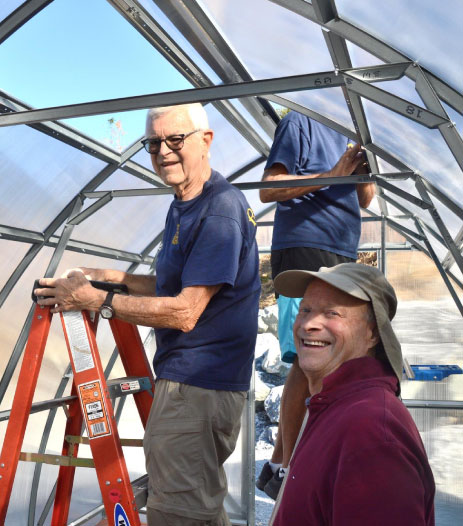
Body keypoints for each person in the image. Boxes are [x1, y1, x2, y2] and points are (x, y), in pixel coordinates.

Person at [35, 103, 261, 526]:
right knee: (199, 510)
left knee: (178, 515)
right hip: (195, 384)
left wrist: (96, 301)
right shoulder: (187, 203)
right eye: (153, 143)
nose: (163, 151)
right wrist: (109, 277)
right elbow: (171, 284)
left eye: (175, 140)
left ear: (206, 141)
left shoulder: (218, 210)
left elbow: (184, 311)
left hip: (197, 387)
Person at [257, 111, 376, 498]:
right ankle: (288, 464)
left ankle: (287, 459)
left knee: (331, 355)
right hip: (305, 243)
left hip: (341, 246)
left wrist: (360, 169)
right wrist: (335, 171)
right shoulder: (301, 121)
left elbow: (365, 197)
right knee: (310, 357)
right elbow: (269, 189)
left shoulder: (353, 125)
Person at [269, 262, 435, 525]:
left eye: (332, 313)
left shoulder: (372, 432)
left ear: (373, 333)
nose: (309, 323)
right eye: (306, 310)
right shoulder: (333, 406)